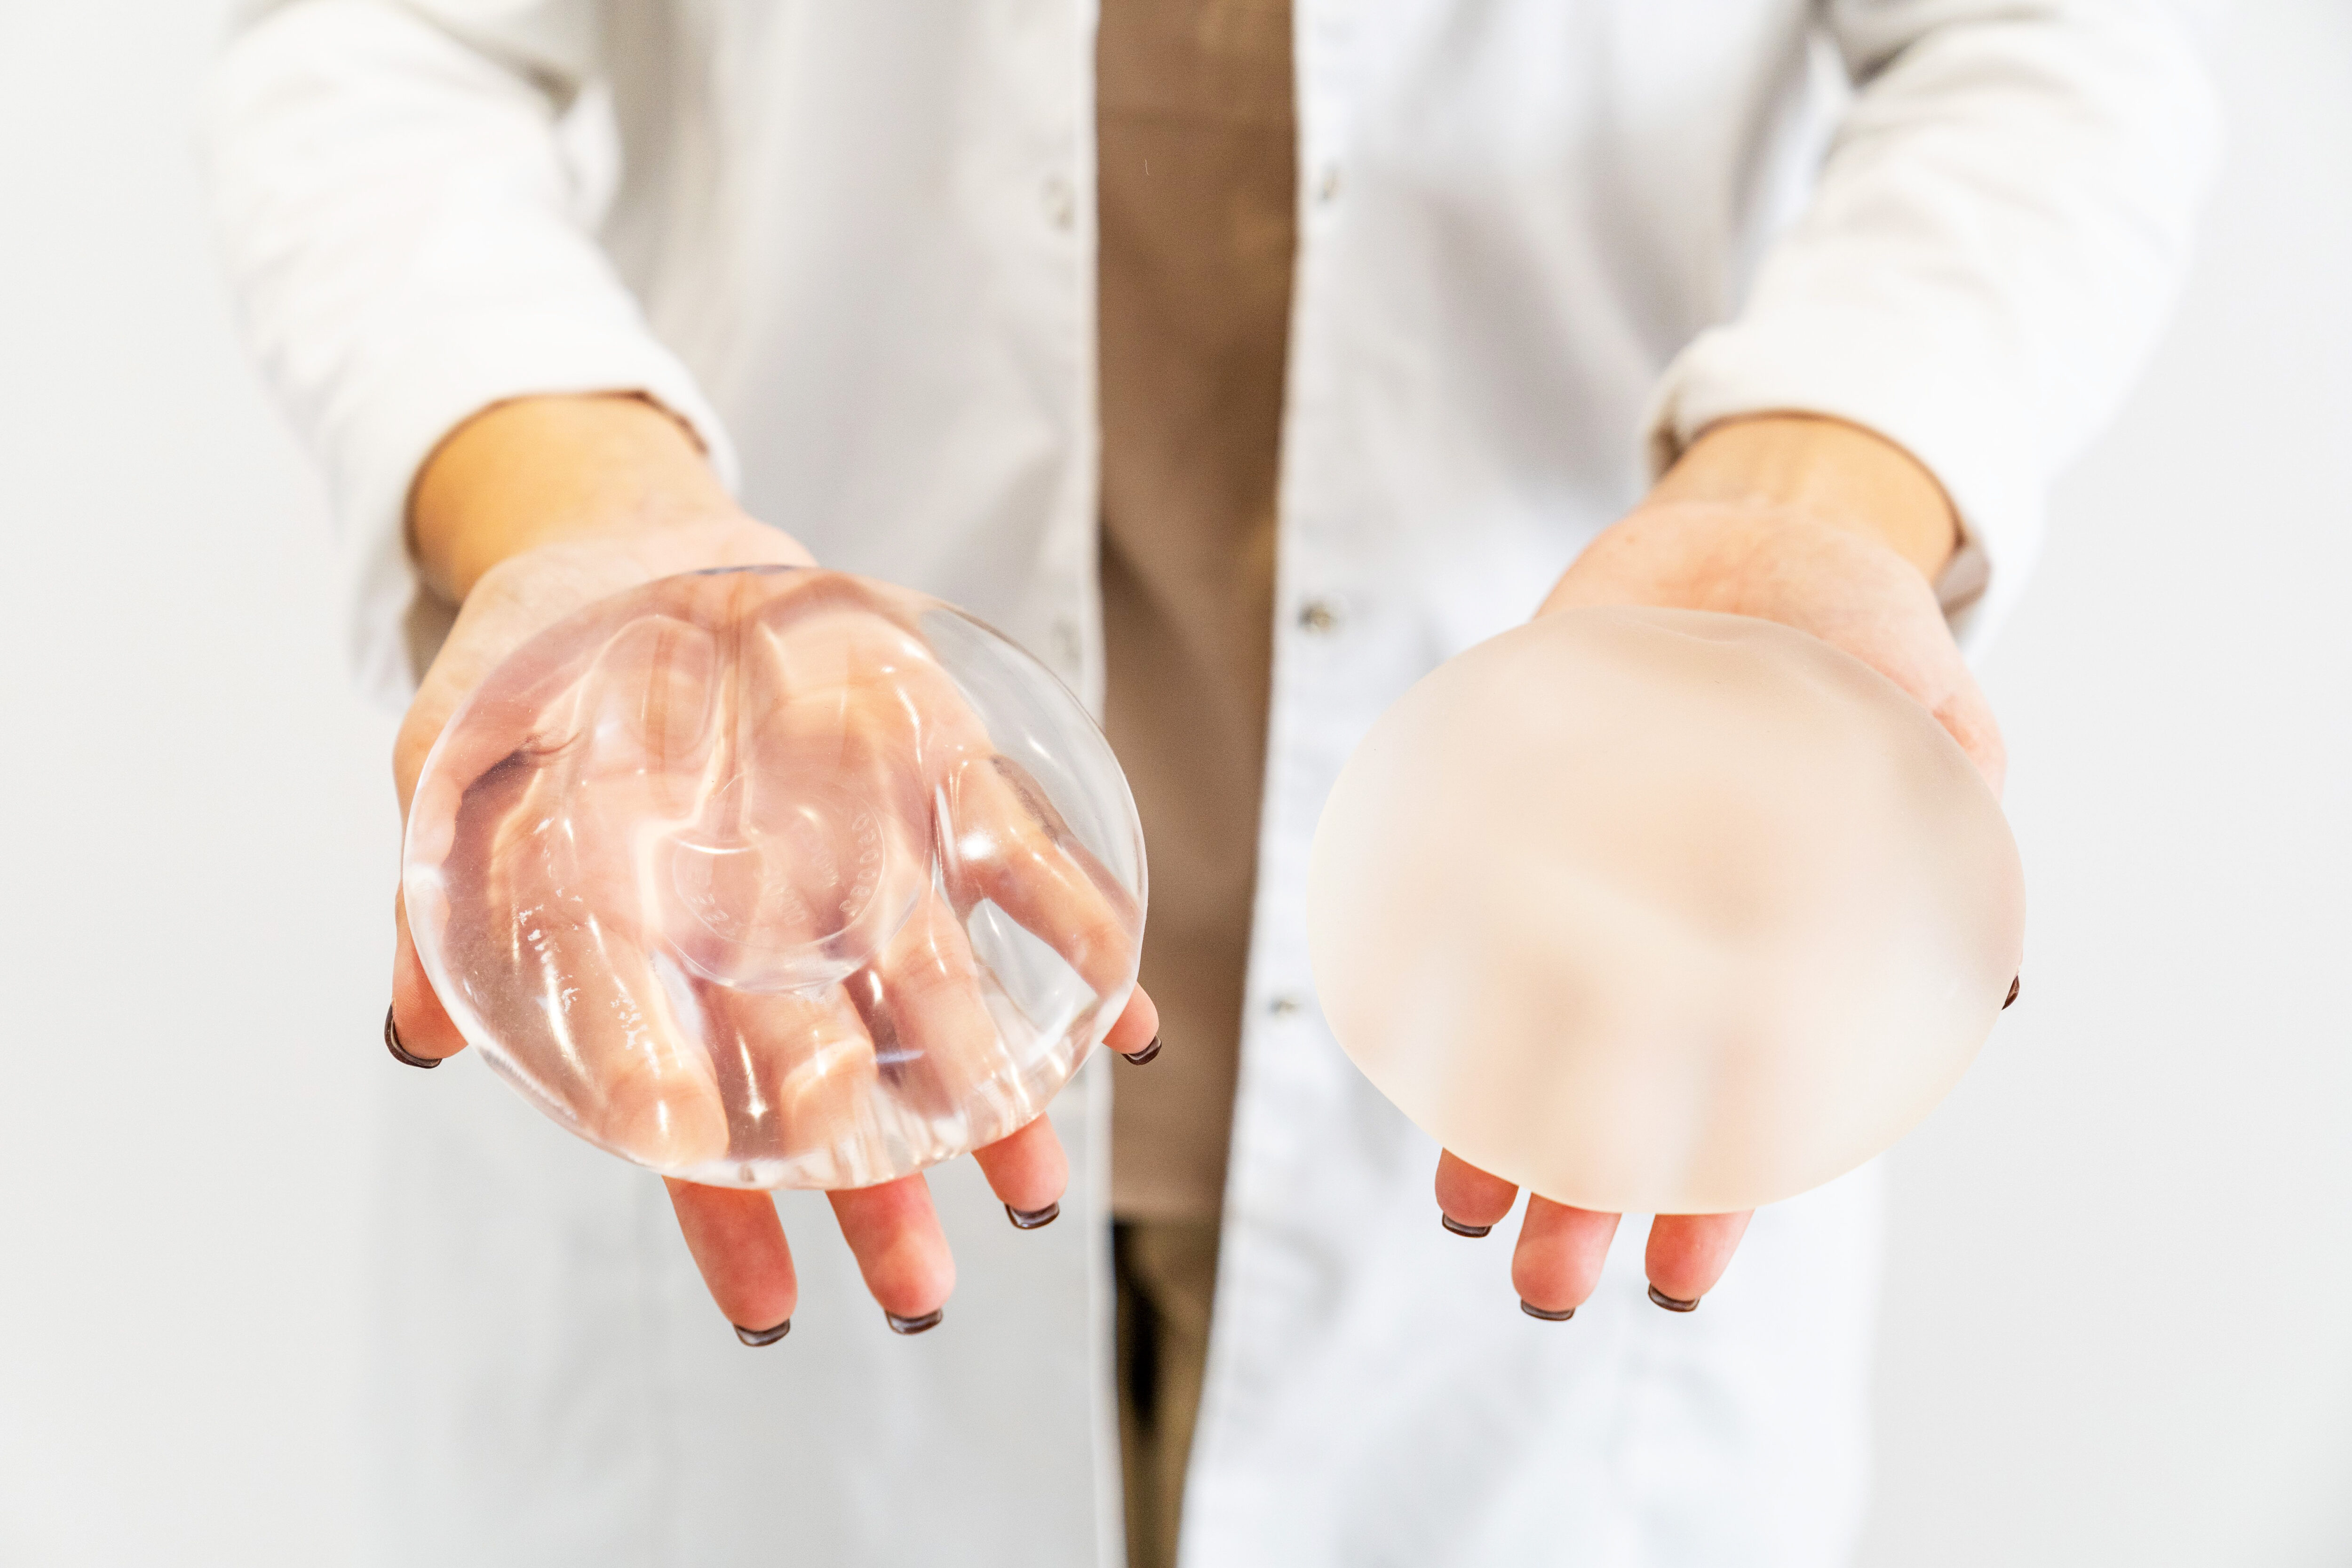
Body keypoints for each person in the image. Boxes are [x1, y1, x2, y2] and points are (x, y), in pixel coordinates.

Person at [202, 2, 2214, 1563]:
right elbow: (382, 42)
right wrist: (574, 478)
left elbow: (2049, 39)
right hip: (735, 932)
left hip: (1583, 935)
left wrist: (1825, 469)